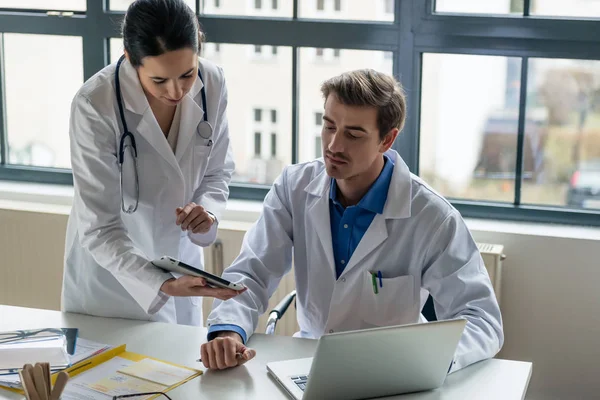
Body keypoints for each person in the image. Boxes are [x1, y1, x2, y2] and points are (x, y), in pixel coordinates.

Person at [200, 69, 503, 372]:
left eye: (354, 134)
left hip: (391, 375)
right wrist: (228, 330)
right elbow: (252, 273)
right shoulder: (294, 187)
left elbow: (482, 319)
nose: (333, 146)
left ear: (387, 139)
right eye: (329, 126)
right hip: (308, 364)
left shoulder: (432, 217)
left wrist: (430, 363)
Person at [62, 0, 242, 326]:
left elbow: (218, 171)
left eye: (188, 74)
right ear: (130, 59)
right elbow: (99, 228)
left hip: (181, 261)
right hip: (113, 283)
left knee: (185, 373)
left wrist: (207, 209)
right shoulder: (95, 105)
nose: (177, 91)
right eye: (159, 81)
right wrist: (159, 282)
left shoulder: (213, 83)